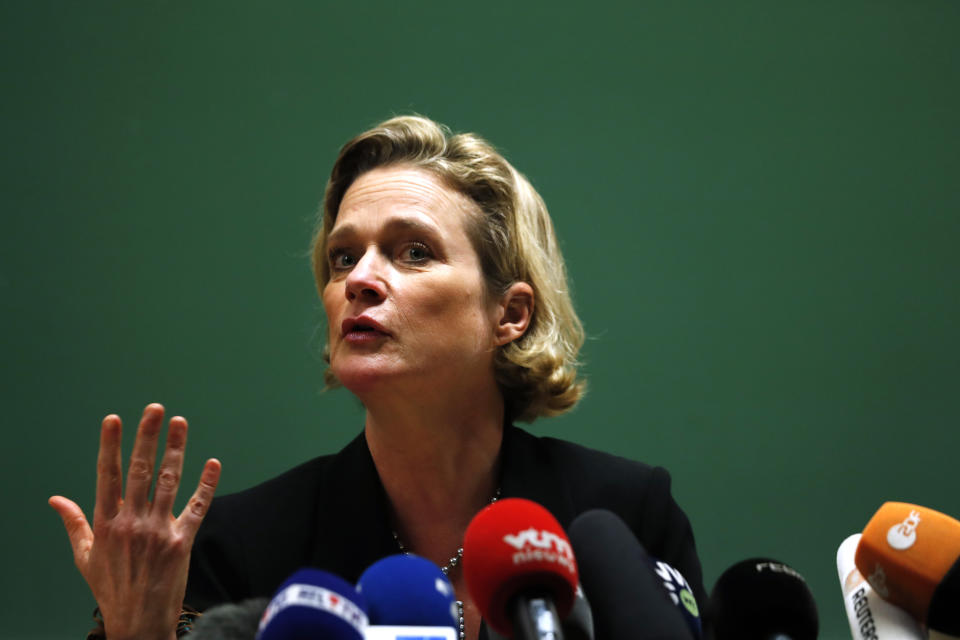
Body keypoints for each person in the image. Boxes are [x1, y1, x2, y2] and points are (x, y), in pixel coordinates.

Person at [50, 115, 705, 640]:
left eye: (412, 252)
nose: (358, 280)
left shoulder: (624, 514)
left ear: (509, 314)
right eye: (342, 257)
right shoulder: (238, 548)